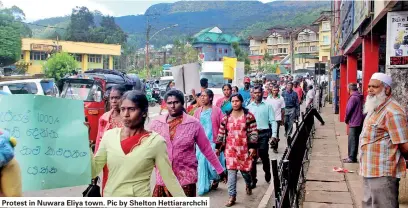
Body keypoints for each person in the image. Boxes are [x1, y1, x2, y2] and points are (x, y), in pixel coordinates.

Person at [91, 90, 186, 197]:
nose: (126, 114)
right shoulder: (109, 136)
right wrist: (83, 143)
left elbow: (169, 178)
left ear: (144, 112)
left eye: (132, 109)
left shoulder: (155, 142)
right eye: (123, 109)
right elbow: (93, 171)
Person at [149, 90, 225, 197]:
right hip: (163, 178)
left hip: (185, 179)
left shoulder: (193, 123)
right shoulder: (156, 124)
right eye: (170, 103)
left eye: (176, 102)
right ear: (166, 104)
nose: (173, 106)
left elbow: (206, 149)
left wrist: (220, 169)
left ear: (182, 103)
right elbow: (148, 149)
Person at [360, 73, 408, 208]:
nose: (369, 90)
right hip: (369, 170)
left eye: (374, 87)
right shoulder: (375, 108)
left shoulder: (393, 112)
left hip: (383, 173)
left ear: (386, 90)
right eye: (369, 86)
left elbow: (404, 145)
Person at [215, 93, 258, 207]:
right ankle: (232, 196)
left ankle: (249, 184)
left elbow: (253, 132)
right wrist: (218, 147)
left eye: (237, 101)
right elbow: (221, 132)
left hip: (244, 150)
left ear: (241, 102)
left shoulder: (248, 116)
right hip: (230, 150)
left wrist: (253, 147)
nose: (235, 103)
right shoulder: (226, 117)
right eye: (233, 101)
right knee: (231, 174)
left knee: (245, 173)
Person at [94, 85, 126, 194]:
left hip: (126, 162)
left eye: (117, 98)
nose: (113, 101)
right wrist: (95, 168)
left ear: (124, 98)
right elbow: (99, 142)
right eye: (111, 98)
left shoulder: (130, 117)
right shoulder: (104, 118)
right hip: (108, 163)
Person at [193, 89, 226, 195]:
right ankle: (203, 186)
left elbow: (223, 125)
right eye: (201, 96)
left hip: (212, 142)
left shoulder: (217, 110)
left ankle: (216, 178)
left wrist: (221, 142)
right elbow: (193, 126)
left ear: (210, 98)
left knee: (212, 166)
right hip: (200, 143)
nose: (202, 98)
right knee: (202, 164)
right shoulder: (197, 112)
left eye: (205, 96)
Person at [247, 86, 277, 188]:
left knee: (264, 155)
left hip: (264, 134)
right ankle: (253, 180)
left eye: (259, 92)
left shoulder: (268, 106)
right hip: (252, 135)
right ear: (252, 94)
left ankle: (267, 172)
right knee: (252, 158)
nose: (257, 94)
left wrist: (274, 135)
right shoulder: (249, 107)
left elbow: (273, 121)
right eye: (255, 93)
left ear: (262, 93)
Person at [343, 83, 364, 163]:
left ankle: (351, 157)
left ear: (349, 89)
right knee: (355, 140)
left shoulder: (353, 98)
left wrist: (346, 119)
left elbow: (348, 110)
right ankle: (352, 156)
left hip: (354, 121)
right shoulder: (358, 96)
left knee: (352, 140)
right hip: (359, 120)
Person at [266, 85, 285, 153]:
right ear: (272, 91)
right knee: (270, 133)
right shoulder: (269, 98)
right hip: (270, 118)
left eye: (276, 90)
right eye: (274, 90)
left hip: (277, 118)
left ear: (278, 91)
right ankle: (272, 143)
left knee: (276, 133)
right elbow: (266, 108)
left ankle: (275, 148)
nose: (275, 92)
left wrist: (282, 119)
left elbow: (283, 110)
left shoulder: (281, 98)